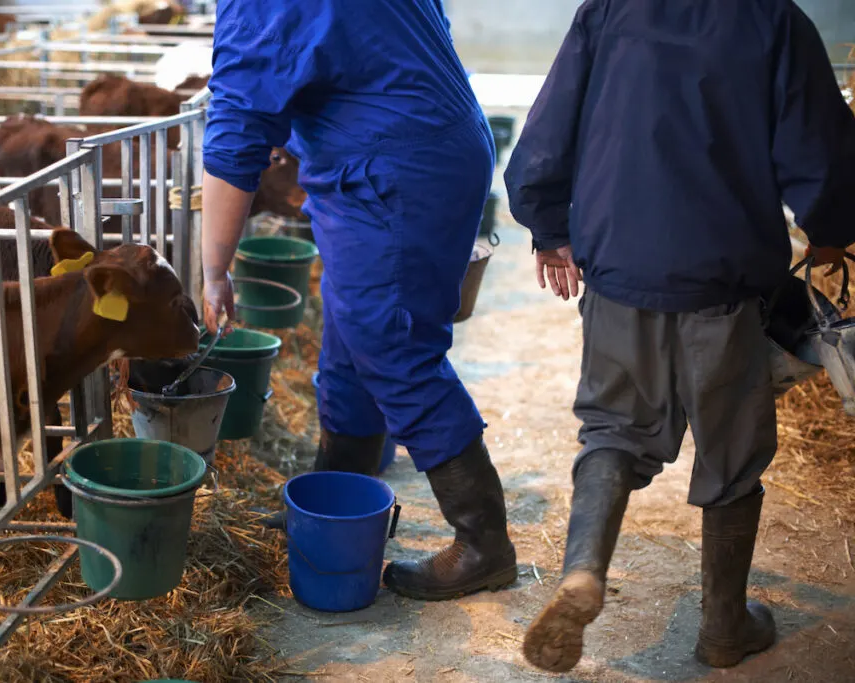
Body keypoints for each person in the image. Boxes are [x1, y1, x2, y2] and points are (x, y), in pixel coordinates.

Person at [504, 0, 855, 674]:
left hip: (619, 272)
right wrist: (832, 225)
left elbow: (548, 131)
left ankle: (583, 571)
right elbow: (819, 147)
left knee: (610, 428)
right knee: (732, 453)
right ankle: (724, 626)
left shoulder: (608, 11)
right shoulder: (773, 21)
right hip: (723, 283)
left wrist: (548, 224)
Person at [199, 0, 519, 600]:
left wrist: (214, 269)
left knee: (392, 343)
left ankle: (484, 543)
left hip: (395, 163)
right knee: (352, 340)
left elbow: (238, 126)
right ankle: (336, 501)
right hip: (412, 145)